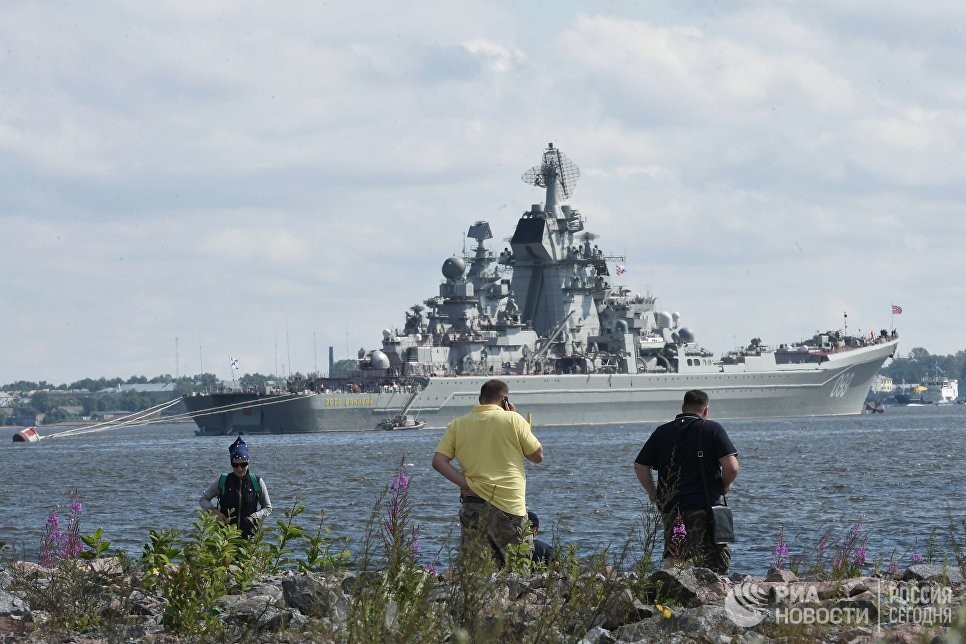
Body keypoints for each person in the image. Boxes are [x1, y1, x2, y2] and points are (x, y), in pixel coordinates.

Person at [432, 379, 544, 566]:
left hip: (473, 505)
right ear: (504, 399)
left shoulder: (457, 425)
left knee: (476, 571)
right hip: (509, 506)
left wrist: (465, 483)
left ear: (481, 399)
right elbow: (537, 456)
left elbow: (438, 462)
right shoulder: (514, 419)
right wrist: (517, 421)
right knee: (518, 566)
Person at [634, 389, 739, 573]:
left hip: (671, 507)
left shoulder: (662, 431)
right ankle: (710, 589)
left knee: (675, 557)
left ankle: (672, 586)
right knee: (713, 564)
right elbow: (732, 467)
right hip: (704, 507)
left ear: (683, 408)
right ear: (706, 410)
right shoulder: (712, 428)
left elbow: (640, 466)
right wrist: (723, 487)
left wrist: (655, 495)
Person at [199, 436, 273, 539]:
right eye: (235, 465)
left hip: (249, 537)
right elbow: (203, 499)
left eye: (243, 464)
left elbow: (268, 508)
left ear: (248, 463)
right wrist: (215, 512)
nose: (239, 468)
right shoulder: (223, 480)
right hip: (225, 538)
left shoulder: (257, 481)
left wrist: (254, 517)